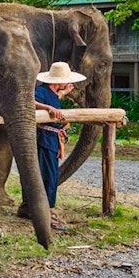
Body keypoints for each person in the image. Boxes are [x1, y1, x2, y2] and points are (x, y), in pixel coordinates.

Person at [34, 61, 85, 232]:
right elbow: (30, 102)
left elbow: (55, 97)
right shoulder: (41, 92)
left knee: (52, 175)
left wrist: (62, 93)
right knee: (48, 175)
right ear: (58, 80)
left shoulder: (53, 93)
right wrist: (48, 108)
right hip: (45, 139)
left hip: (53, 139)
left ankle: (47, 209)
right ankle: (47, 212)